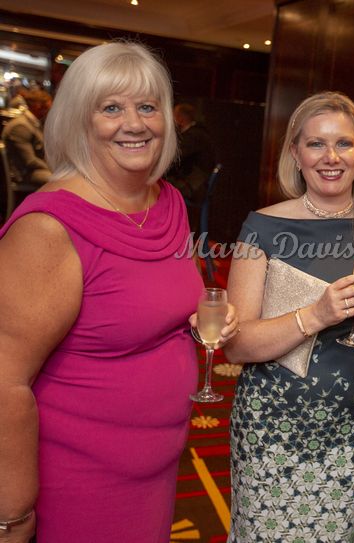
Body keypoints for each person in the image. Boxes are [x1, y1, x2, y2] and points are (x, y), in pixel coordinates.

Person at [0, 42, 238, 543]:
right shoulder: (47, 228)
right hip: (79, 480)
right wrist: (13, 513)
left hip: (158, 467)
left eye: (147, 106)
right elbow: (5, 381)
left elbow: (154, 306)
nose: (135, 123)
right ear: (77, 121)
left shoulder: (167, 201)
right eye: (111, 108)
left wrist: (199, 321)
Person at [222, 91, 354, 542]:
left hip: (352, 422)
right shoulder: (262, 227)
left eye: (344, 143)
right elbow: (237, 346)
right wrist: (315, 314)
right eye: (316, 144)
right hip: (272, 423)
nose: (331, 157)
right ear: (295, 152)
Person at [167, 103, 217, 229]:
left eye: (173, 117)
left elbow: (173, 158)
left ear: (180, 119)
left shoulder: (194, 136)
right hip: (197, 183)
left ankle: (166, 230)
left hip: (194, 187)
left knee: (158, 187)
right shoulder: (198, 133)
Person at [1, 87, 52, 185]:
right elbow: (30, 161)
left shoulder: (32, 122)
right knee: (62, 181)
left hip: (34, 170)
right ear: (38, 107)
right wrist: (53, 168)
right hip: (25, 174)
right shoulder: (20, 126)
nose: (50, 111)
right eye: (48, 108)